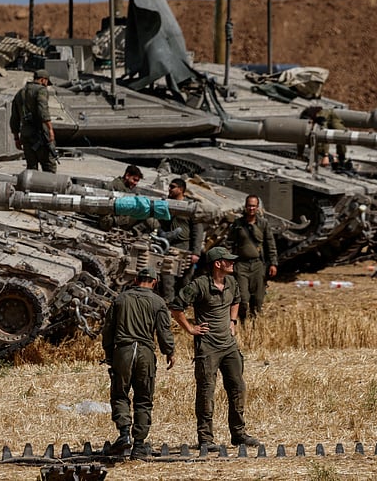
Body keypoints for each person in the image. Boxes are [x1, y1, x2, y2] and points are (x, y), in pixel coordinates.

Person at [169, 246, 260, 451]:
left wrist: (233, 322)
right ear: (217, 264)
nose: (232, 263)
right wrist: (191, 329)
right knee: (206, 392)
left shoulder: (231, 282)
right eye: (228, 260)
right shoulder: (199, 285)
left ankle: (239, 434)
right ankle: (206, 439)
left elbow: (236, 300)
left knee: (238, 388)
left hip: (229, 345)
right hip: (208, 347)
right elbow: (176, 307)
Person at [102, 267, 176, 459]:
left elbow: (108, 329)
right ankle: (139, 445)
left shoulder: (120, 299)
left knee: (120, 394)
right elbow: (164, 331)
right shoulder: (158, 302)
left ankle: (124, 434)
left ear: (136, 280)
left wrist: (110, 354)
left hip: (123, 351)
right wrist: (169, 351)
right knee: (143, 398)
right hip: (145, 352)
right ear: (154, 282)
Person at [227, 195, 278, 322]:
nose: (251, 208)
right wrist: (227, 261)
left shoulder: (263, 224)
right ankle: (243, 321)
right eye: (249, 205)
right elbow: (229, 243)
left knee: (258, 299)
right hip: (241, 265)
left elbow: (270, 244)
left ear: (257, 207)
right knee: (243, 298)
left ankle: (255, 323)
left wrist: (273, 263)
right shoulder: (238, 224)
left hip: (258, 264)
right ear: (245, 206)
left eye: (254, 206)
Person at [158, 178, 205, 302]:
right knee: (167, 278)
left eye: (172, 187)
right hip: (168, 246)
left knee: (184, 280)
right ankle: (168, 305)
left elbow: (197, 231)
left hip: (184, 247)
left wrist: (196, 252)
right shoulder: (166, 204)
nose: (169, 189)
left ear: (181, 189)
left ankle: (181, 305)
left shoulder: (190, 207)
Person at [9, 69, 57, 172]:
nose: (46, 85)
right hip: (41, 134)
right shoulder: (41, 90)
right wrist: (50, 130)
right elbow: (43, 111)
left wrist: (16, 138)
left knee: (31, 168)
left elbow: (14, 118)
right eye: (47, 82)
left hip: (25, 135)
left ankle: (32, 187)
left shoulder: (19, 93)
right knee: (49, 167)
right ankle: (49, 188)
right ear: (43, 80)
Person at [100, 165, 153, 232]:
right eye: (134, 180)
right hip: (108, 221)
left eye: (137, 181)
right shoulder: (119, 187)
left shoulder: (121, 185)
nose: (135, 183)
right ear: (127, 176)